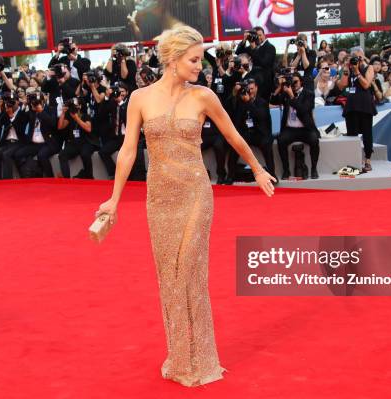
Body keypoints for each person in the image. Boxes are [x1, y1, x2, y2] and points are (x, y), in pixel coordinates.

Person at [95, 25, 275, 387]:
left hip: (195, 194)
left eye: (202, 58)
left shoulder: (204, 96)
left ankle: (202, 360)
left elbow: (232, 134)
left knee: (188, 271)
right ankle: (180, 357)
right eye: (194, 59)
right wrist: (114, 199)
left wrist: (257, 168)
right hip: (159, 198)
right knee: (170, 280)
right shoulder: (140, 99)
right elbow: (129, 150)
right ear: (173, 59)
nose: (200, 65)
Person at [271, 72, 320, 179]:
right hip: (290, 129)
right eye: (292, 82)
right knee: (281, 140)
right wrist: (280, 87)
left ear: (301, 81)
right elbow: (273, 101)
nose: (294, 84)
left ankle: (314, 168)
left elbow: (303, 110)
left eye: (296, 81)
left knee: (314, 140)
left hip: (305, 128)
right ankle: (286, 170)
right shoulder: (287, 92)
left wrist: (292, 96)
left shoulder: (309, 94)